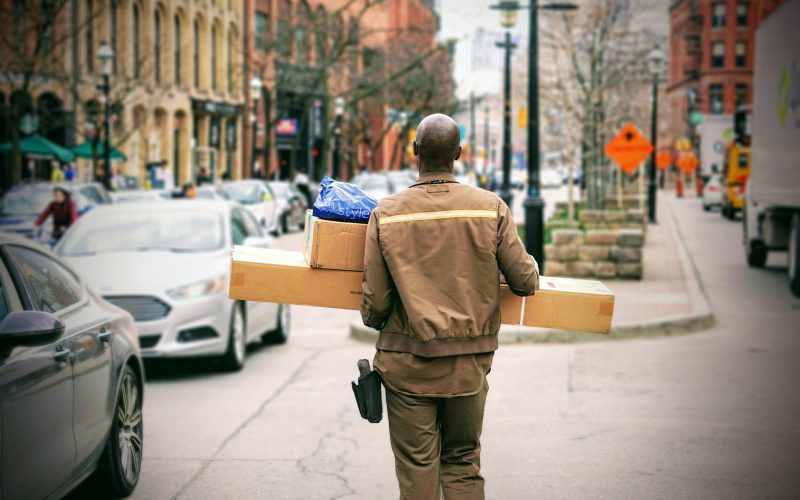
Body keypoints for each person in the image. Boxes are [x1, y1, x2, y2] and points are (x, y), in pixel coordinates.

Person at [361, 114, 539, 499]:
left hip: (406, 365)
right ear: (458, 154)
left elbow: (375, 303)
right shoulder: (489, 208)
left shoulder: (386, 214)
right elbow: (525, 282)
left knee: (417, 467)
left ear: (415, 153)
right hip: (468, 366)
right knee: (461, 462)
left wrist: (379, 319)